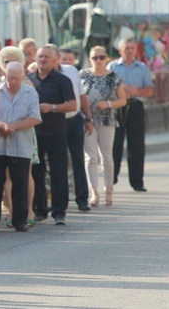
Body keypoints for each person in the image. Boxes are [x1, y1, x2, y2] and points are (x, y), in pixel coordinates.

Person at [0, 62, 42, 232]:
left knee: (20, 184)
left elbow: (36, 118)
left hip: (21, 144)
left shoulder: (30, 92)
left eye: (17, 78)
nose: (13, 82)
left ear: (23, 77)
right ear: (5, 75)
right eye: (10, 78)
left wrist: (14, 127)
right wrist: (0, 125)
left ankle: (20, 220)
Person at [27, 47, 76, 225]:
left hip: (56, 132)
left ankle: (59, 212)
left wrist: (52, 107)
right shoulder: (29, 79)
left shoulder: (62, 80)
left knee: (58, 173)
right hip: (35, 133)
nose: (43, 60)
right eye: (40, 56)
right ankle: (40, 210)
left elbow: (72, 105)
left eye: (47, 57)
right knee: (36, 173)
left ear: (55, 60)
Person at [82, 46, 127, 206]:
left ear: (107, 59)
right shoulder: (83, 75)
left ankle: (109, 190)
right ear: (90, 59)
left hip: (107, 120)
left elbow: (123, 100)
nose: (98, 61)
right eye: (95, 58)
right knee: (90, 157)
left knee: (106, 156)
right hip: (88, 120)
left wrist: (108, 104)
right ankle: (94, 192)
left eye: (101, 57)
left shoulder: (113, 77)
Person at [110, 38, 153, 192]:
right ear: (120, 50)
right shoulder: (113, 67)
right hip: (117, 107)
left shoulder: (142, 68)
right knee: (114, 144)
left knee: (136, 145)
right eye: (126, 48)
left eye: (132, 48)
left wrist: (136, 91)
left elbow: (149, 90)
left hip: (135, 106)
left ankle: (137, 181)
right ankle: (111, 179)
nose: (129, 50)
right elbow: (107, 87)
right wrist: (122, 90)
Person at [56, 47, 92, 212]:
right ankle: (60, 201)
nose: (66, 62)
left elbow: (82, 96)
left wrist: (88, 118)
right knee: (60, 162)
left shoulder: (71, 71)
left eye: (68, 59)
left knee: (78, 160)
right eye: (63, 59)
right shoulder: (44, 73)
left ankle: (82, 199)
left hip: (75, 119)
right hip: (57, 122)